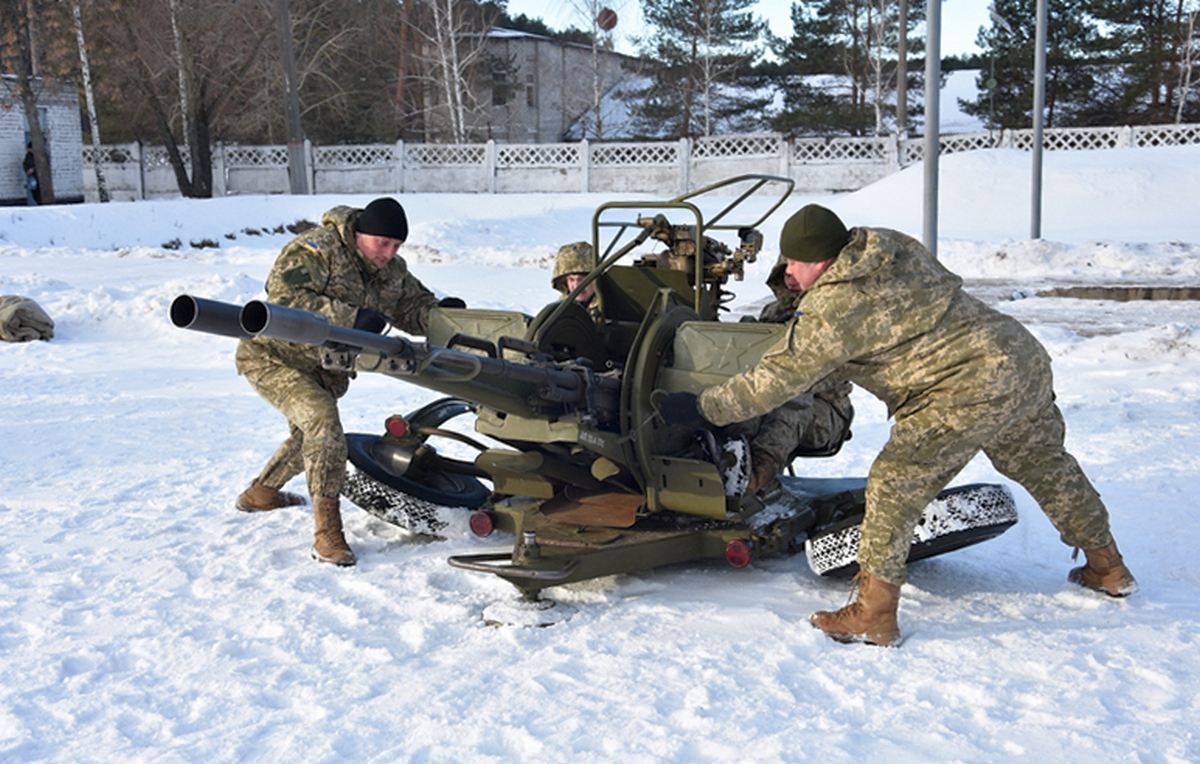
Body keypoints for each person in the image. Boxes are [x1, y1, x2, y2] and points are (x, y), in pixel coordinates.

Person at [658, 204, 1137, 646]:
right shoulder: (885, 246)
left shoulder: (835, 309)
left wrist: (705, 408)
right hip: (1017, 356)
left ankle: (874, 614)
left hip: (960, 386)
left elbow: (776, 380)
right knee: (1044, 465)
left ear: (821, 262)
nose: (786, 273)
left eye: (793, 265)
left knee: (894, 484)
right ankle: (1107, 567)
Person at [234, 197, 464, 567]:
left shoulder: (391, 270)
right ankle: (328, 535)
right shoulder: (316, 248)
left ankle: (260, 494)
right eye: (382, 243)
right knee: (324, 424)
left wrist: (443, 315)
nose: (388, 253)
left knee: (308, 436)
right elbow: (284, 296)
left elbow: (411, 306)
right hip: (273, 357)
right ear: (359, 233)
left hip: (324, 367)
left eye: (396, 246)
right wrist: (349, 317)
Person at [725, 252, 854, 495]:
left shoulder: (831, 316)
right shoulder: (773, 313)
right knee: (746, 399)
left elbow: (812, 377)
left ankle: (753, 479)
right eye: (784, 272)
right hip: (777, 396)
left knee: (791, 400)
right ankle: (733, 462)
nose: (790, 277)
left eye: (795, 269)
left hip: (825, 411)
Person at [550, 241, 601, 323]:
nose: (577, 285)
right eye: (571, 279)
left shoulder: (613, 308)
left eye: (583, 279)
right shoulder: (560, 311)